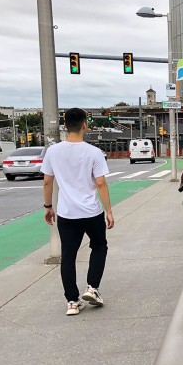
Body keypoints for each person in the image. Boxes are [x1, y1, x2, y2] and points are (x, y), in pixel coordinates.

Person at [41, 108, 114, 316]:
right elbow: (100, 183)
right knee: (99, 246)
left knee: (68, 256)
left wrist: (48, 207)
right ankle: (92, 288)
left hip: (66, 213)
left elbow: (47, 181)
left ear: (65, 126)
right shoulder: (94, 152)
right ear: (85, 125)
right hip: (91, 212)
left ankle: (72, 301)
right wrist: (108, 210)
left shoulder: (53, 151)